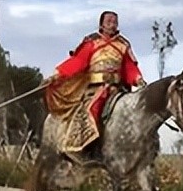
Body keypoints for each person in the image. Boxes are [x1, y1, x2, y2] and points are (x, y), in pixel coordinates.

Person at [45, 11, 144, 159]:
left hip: (117, 89)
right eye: (109, 21)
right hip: (95, 88)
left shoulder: (123, 44)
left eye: (115, 21)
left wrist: (138, 79)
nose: (112, 24)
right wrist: (59, 73)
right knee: (93, 109)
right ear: (101, 24)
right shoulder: (91, 42)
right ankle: (88, 149)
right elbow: (78, 62)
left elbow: (129, 67)